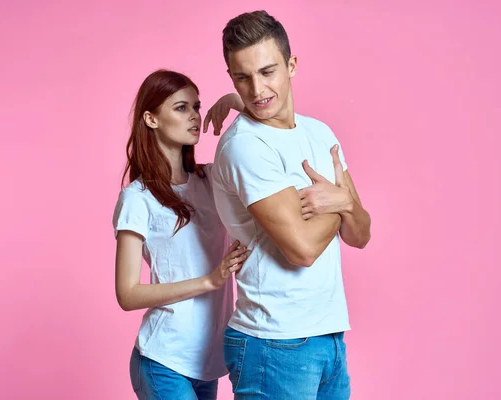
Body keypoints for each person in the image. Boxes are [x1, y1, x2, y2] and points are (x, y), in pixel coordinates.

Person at [211, 11, 372, 399]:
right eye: (242, 78)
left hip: (328, 335)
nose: (257, 89)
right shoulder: (245, 147)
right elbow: (301, 249)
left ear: (292, 65)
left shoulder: (320, 133)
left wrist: (344, 204)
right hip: (274, 342)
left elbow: (361, 234)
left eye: (268, 72)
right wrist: (341, 202)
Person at [112, 69, 249, 400]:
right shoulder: (138, 198)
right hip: (164, 359)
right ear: (151, 119)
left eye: (197, 106)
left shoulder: (211, 180)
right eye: (181, 107)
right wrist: (209, 281)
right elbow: (127, 294)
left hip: (208, 362)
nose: (195, 116)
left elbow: (265, 145)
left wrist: (236, 101)